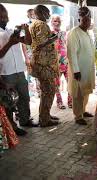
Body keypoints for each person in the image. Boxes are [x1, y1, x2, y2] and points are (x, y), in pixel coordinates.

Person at [0, 4, 34, 136]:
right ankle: (12, 127)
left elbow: (28, 42)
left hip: (20, 70)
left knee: (24, 97)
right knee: (9, 102)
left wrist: (26, 29)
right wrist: (10, 43)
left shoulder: (10, 31)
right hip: (5, 72)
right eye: (1, 16)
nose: (4, 18)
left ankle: (25, 120)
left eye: (5, 16)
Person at [29, 5, 60, 127]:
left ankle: (45, 114)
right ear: (41, 12)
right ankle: (44, 119)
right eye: (47, 12)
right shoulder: (41, 24)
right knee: (49, 90)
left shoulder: (33, 24)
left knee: (45, 91)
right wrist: (54, 38)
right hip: (44, 64)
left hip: (40, 63)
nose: (49, 15)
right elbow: (41, 43)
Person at [67, 7, 95, 125]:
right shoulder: (74, 32)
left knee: (86, 91)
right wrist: (76, 70)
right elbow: (71, 53)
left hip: (87, 68)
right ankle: (78, 116)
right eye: (84, 20)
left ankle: (83, 111)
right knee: (78, 93)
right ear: (80, 20)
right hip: (78, 69)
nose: (87, 23)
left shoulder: (88, 32)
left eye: (88, 20)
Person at [51, 15, 72, 109]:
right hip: (55, 62)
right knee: (56, 84)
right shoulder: (50, 33)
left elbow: (67, 45)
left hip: (66, 61)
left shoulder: (64, 33)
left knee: (70, 82)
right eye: (55, 21)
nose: (57, 22)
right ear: (51, 22)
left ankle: (70, 101)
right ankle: (59, 102)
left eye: (58, 21)